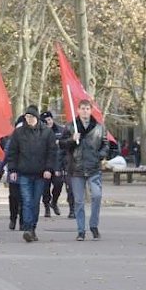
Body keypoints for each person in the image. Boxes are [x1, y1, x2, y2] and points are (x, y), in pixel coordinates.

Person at [59, 99, 108, 241]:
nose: (85, 111)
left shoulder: (99, 128)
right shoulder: (70, 127)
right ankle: (81, 230)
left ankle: (94, 225)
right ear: (78, 110)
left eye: (87, 108)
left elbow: (106, 145)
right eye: (83, 108)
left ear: (91, 110)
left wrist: (99, 156)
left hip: (93, 168)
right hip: (76, 168)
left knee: (97, 196)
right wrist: (72, 140)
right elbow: (62, 145)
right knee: (79, 201)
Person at [7, 105, 57, 243]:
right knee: (27, 201)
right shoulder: (18, 133)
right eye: (26, 117)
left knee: (35, 202)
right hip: (24, 173)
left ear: (36, 117)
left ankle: (33, 228)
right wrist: (13, 170)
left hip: (41, 174)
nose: (28, 119)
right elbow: (12, 153)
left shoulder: (47, 133)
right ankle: (28, 228)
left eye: (31, 117)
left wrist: (49, 168)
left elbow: (52, 152)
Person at [40, 111, 65, 217]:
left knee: (59, 183)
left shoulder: (60, 130)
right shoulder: (40, 131)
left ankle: (54, 202)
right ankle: (46, 207)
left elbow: (65, 147)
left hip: (57, 163)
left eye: (49, 119)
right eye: (45, 121)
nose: (48, 122)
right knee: (45, 187)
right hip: (44, 164)